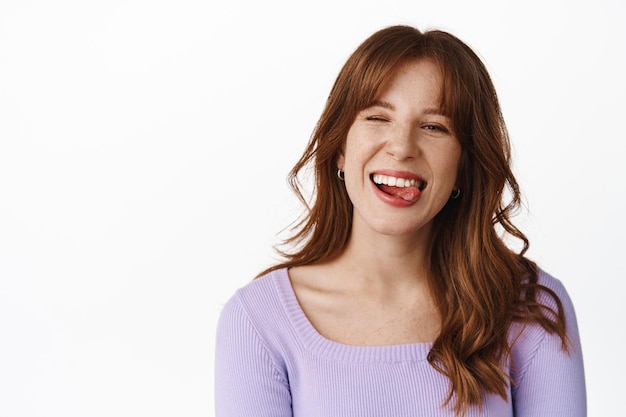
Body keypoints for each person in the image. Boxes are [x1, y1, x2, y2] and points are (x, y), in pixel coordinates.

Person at [214, 25, 586, 416]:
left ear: (464, 166)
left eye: (434, 127)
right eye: (378, 117)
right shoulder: (258, 321)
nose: (402, 147)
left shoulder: (531, 310)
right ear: (340, 147)